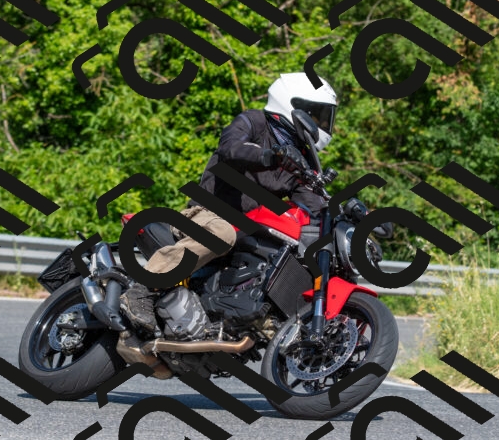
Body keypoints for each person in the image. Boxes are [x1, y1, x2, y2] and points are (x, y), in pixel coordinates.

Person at [119, 72, 338, 332]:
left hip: (246, 231)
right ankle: (143, 290)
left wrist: (346, 218)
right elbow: (230, 148)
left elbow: (314, 206)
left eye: (325, 118)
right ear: (294, 104)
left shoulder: (300, 162)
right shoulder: (255, 122)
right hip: (208, 213)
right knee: (221, 233)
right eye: (317, 115)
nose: (321, 123)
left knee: (287, 256)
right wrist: (271, 156)